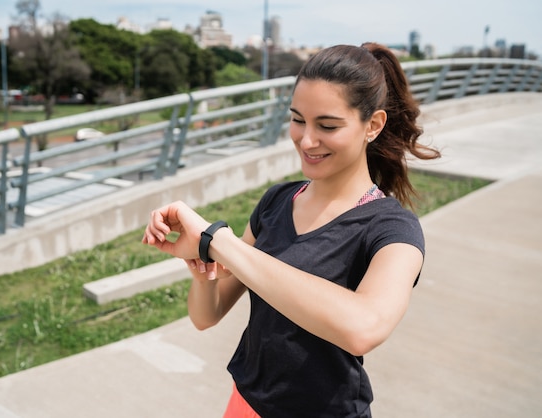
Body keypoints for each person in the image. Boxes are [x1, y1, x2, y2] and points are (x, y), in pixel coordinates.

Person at [142, 42, 441, 418]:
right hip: (246, 405)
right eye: (298, 119)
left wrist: (217, 241)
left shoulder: (392, 229)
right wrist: (203, 266)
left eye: (327, 125)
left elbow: (364, 327)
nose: (307, 140)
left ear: (373, 125)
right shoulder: (276, 202)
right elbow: (207, 315)